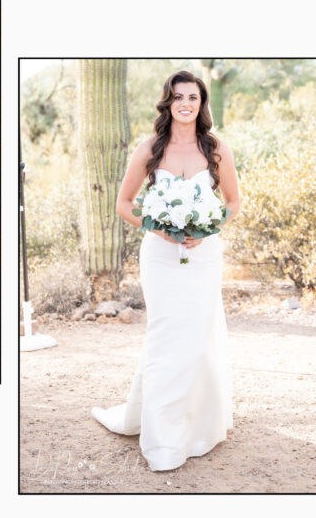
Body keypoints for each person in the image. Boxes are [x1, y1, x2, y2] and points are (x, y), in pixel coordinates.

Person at [91, 69, 242, 471]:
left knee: (196, 337)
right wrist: (156, 226)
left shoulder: (216, 149)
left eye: (192, 97)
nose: (186, 104)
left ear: (201, 103)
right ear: (168, 103)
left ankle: (198, 425)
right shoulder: (150, 149)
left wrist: (208, 227)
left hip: (203, 257)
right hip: (160, 258)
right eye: (178, 97)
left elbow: (232, 202)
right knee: (165, 337)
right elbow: (125, 204)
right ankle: (161, 438)